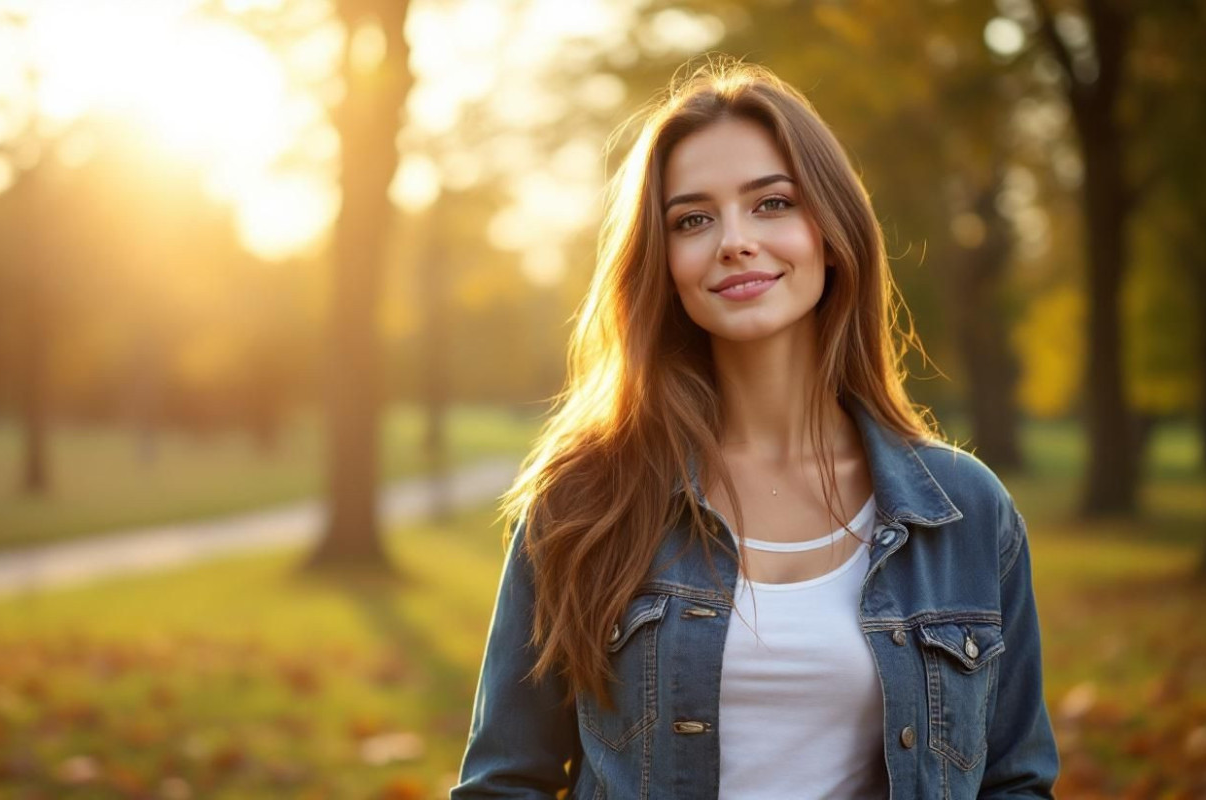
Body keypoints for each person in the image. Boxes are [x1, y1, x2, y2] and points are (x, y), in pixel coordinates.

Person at [451, 59, 1058, 799]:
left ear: (832, 231)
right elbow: (504, 782)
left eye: (771, 204)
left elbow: (1016, 782)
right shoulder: (585, 503)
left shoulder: (966, 512)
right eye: (693, 220)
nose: (733, 241)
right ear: (662, 260)